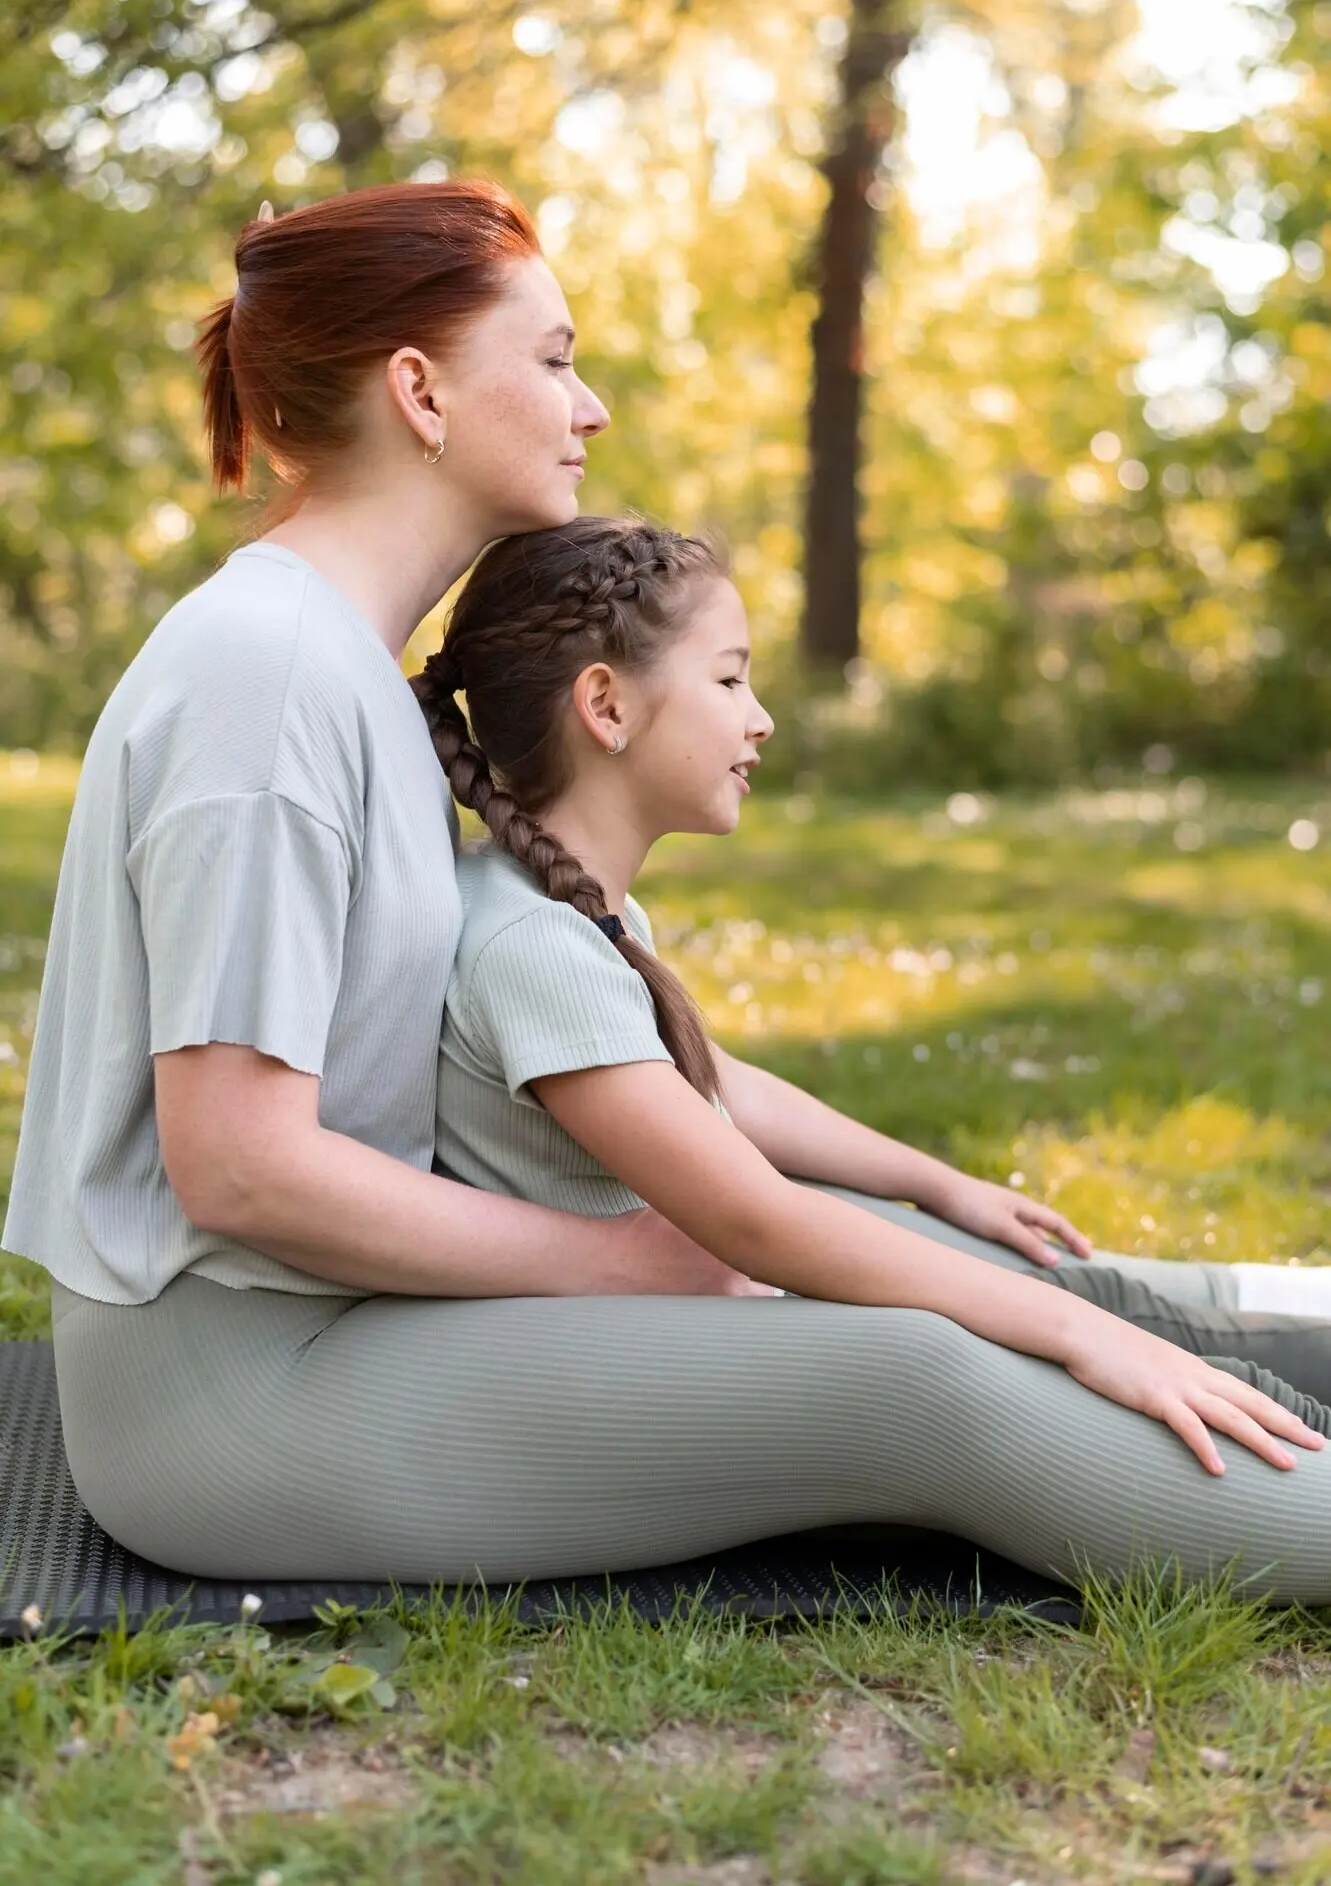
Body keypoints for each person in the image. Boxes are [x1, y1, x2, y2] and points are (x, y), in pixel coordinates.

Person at [6, 181, 1331, 1602]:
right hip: (228, 1401)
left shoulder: (340, 670)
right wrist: (618, 1263)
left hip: (322, 1327)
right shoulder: (262, 679)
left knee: (917, 1259)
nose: (592, 408)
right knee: (903, 1373)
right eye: (557, 358)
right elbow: (242, 1165)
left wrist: (839, 1210)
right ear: (420, 391)